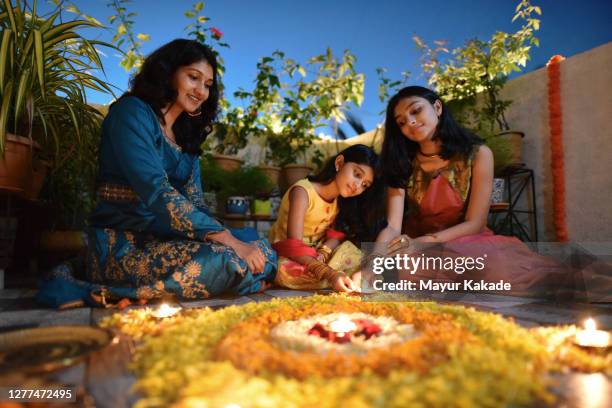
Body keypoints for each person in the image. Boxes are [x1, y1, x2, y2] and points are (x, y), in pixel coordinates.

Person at [39, 39, 276, 307]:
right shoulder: (131, 114)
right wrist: (227, 241)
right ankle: (118, 293)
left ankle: (240, 278)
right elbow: (156, 190)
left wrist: (235, 241)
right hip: (123, 245)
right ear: (168, 72)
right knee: (227, 259)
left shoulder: (187, 137)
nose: (201, 91)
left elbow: (196, 203)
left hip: (168, 240)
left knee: (261, 246)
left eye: (208, 85)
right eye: (193, 78)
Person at [371, 86, 576, 294]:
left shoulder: (478, 154)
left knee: (497, 270)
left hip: (469, 241)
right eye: (402, 122)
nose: (411, 122)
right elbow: (393, 228)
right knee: (404, 270)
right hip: (420, 248)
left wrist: (424, 242)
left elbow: (476, 223)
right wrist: (372, 265)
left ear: (438, 107)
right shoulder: (402, 163)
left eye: (415, 111)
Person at [269, 144, 379, 292]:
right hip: (290, 255)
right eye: (357, 174)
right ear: (339, 163)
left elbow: (335, 234)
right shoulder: (303, 192)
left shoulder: (339, 201)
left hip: (318, 256)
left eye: (365, 185)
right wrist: (329, 273)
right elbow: (293, 245)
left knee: (358, 257)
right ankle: (330, 279)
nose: (357, 185)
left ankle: (330, 278)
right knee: (284, 271)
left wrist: (324, 252)